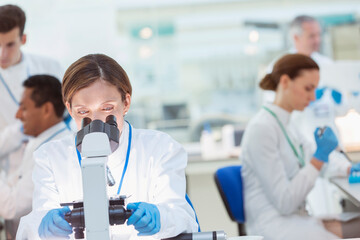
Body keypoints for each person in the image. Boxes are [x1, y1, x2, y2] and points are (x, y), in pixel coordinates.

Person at [16, 54, 198, 239]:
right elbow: (38, 218)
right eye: (83, 112)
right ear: (69, 109)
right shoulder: (50, 157)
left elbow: (183, 217)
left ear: (126, 102)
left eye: (107, 109)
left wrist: (162, 217)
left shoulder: (160, 148)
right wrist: (44, 225)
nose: (96, 121)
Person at [241, 54, 355, 240]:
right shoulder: (262, 129)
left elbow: (317, 158)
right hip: (274, 228)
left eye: (315, 89)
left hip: (297, 220)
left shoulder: (287, 123)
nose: (313, 97)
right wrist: (319, 157)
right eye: (308, 89)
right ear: (285, 81)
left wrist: (348, 167)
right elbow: (285, 201)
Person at [0, 75, 71, 239]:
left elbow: (12, 206)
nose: (18, 115)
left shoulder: (57, 151)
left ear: (46, 110)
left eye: (24, 108)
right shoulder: (39, 142)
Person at [0, 4, 64, 178]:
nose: (2, 54)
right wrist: (23, 128)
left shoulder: (50, 67)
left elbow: (67, 116)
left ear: (24, 39)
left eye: (10, 45)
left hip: (55, 160)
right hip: (10, 174)